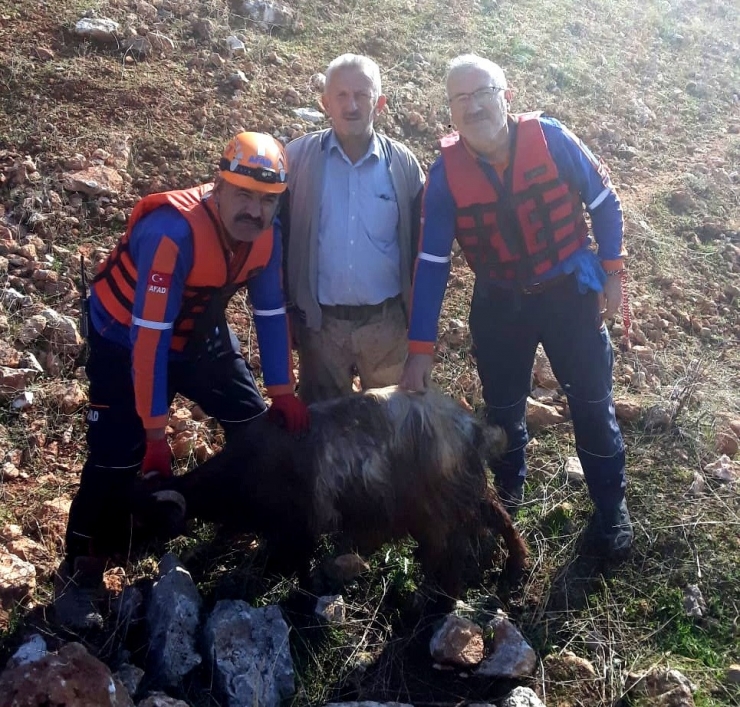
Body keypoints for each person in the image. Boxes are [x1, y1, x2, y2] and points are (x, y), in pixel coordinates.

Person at [55, 132, 310, 628]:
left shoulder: (266, 236)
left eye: (267, 201)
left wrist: (282, 391)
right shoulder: (172, 233)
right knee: (115, 455)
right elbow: (147, 340)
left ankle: (238, 516)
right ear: (218, 186)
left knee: (257, 428)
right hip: (124, 338)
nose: (255, 211)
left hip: (197, 336)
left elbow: (271, 312)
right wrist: (155, 432)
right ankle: (81, 569)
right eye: (243, 195)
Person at [400, 54, 633, 558]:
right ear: (450, 111)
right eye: (460, 98)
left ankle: (611, 509)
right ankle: (509, 501)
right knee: (503, 411)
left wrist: (613, 273)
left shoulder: (551, 138)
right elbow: (432, 264)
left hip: (569, 293)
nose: (473, 106)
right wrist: (421, 347)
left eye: (482, 92)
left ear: (506, 95)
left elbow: (604, 202)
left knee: (592, 403)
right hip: (500, 302)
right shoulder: (445, 177)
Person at [282, 53, 425, 403]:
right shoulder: (296, 159)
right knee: (326, 429)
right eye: (341, 95)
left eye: (362, 95)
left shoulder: (403, 164)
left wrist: (419, 324)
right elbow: (277, 239)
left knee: (394, 425)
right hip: (321, 327)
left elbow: (424, 247)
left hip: (386, 325)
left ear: (380, 102)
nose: (351, 106)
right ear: (324, 102)